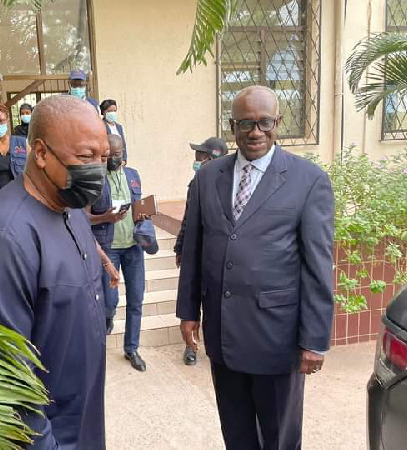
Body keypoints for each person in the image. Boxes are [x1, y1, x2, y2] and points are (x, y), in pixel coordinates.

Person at [176, 85, 335, 450]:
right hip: (223, 334)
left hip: (277, 339)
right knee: (237, 434)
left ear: (278, 122)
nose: (255, 132)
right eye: (246, 123)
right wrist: (188, 312)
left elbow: (317, 265)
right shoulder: (207, 178)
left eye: (265, 123)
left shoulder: (308, 181)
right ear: (233, 126)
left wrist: (314, 340)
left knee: (279, 438)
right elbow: (196, 249)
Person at [0, 95, 115, 449]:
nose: (97, 170)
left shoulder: (69, 204)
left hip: (82, 421)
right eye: (85, 157)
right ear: (41, 154)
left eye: (103, 158)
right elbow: (5, 387)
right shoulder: (2, 240)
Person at [87, 135, 147, 372]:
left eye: (118, 153)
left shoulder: (133, 175)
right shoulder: (95, 179)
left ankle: (131, 348)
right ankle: (107, 317)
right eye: (109, 154)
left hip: (133, 247)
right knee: (109, 302)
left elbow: (137, 206)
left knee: (136, 300)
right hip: (108, 248)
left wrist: (144, 214)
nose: (114, 157)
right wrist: (106, 218)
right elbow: (84, 217)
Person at [174, 136, 228, 366]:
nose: (195, 161)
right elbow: (189, 220)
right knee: (193, 299)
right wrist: (180, 247)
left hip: (219, 256)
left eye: (199, 156)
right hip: (198, 254)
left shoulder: (230, 186)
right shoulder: (197, 183)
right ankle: (191, 347)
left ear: (211, 158)